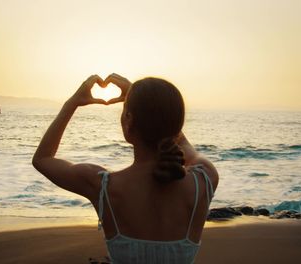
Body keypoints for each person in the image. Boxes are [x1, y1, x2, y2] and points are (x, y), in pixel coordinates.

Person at [32, 73, 219, 264]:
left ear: (128, 120)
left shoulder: (103, 186)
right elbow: (184, 143)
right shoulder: (203, 181)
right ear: (178, 124)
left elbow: (43, 159)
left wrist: (72, 103)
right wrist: (144, 100)